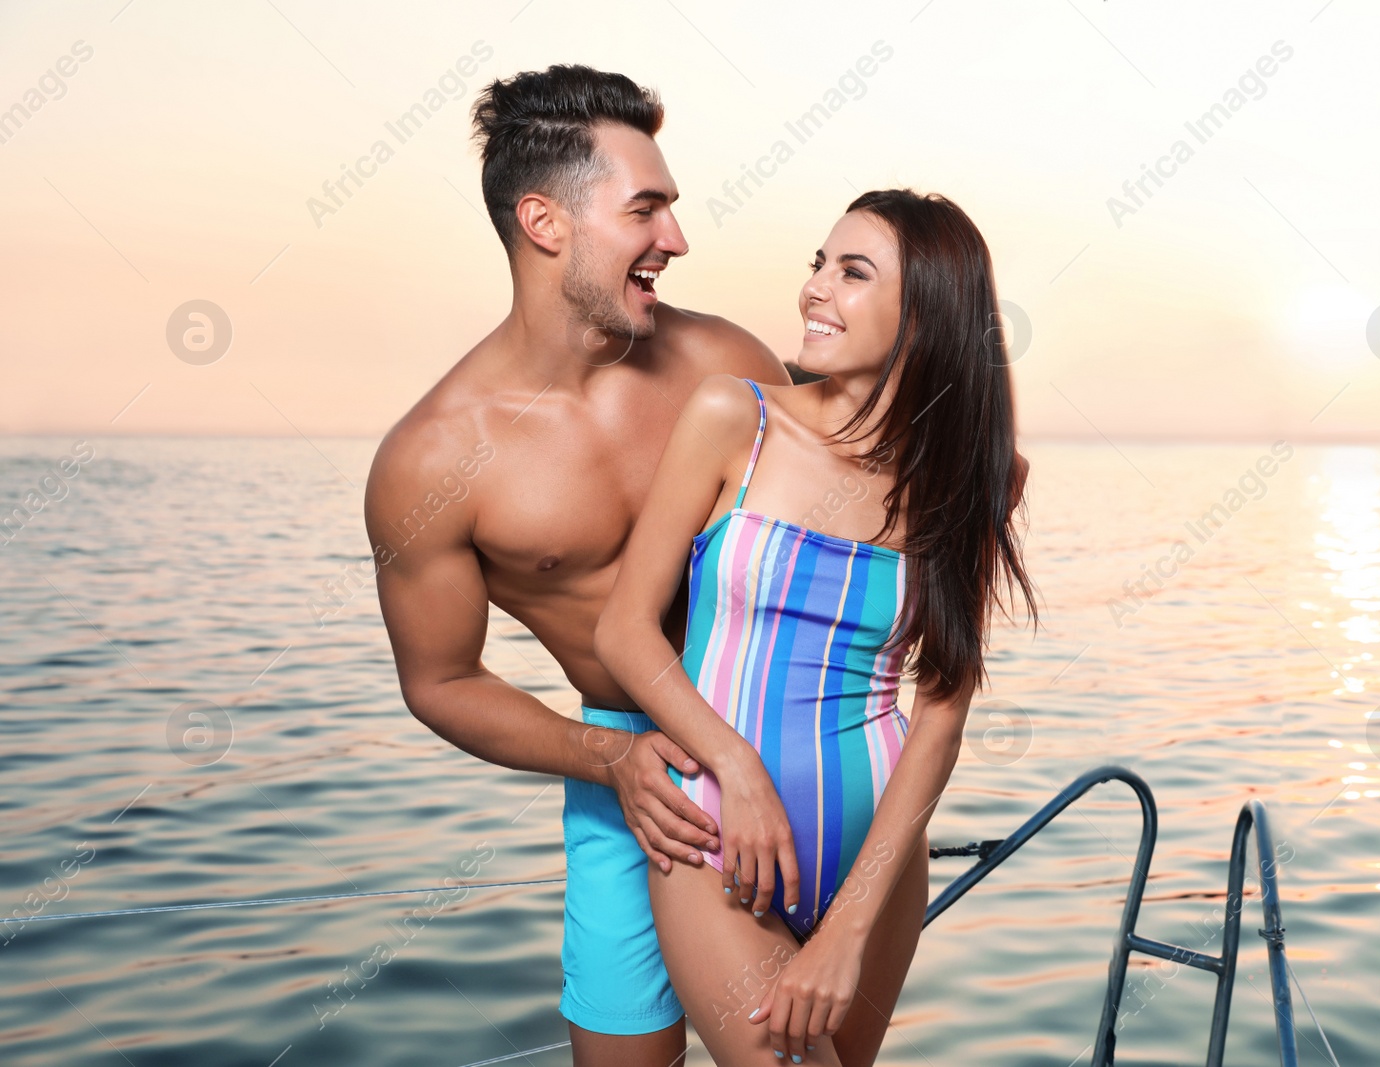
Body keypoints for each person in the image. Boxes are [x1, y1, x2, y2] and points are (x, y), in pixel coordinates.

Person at [364, 65, 790, 1065]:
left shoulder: (726, 360)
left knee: (792, 1049)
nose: (676, 239)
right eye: (646, 210)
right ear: (545, 223)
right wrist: (609, 760)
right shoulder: (431, 458)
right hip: (627, 777)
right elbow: (439, 680)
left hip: (784, 740)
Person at [596, 189, 1036, 1065]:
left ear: (927, 316)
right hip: (720, 838)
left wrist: (848, 926)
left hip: (874, 870)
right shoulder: (737, 419)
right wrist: (735, 768)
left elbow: (943, 707)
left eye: (853, 272)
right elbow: (625, 631)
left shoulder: (977, 477)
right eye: (818, 265)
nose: (815, 290)